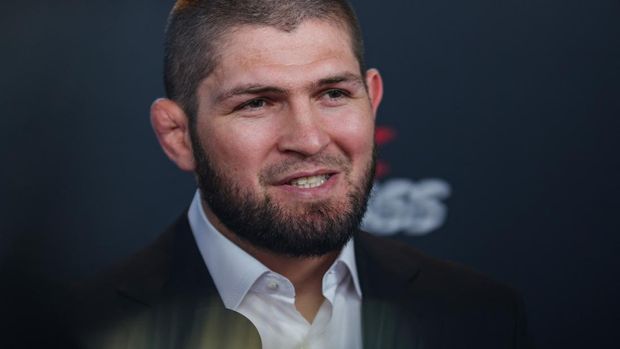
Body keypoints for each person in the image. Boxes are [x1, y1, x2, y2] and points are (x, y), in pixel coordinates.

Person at [66, 0, 532, 348]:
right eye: (257, 103)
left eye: (332, 93)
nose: (309, 139)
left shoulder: (480, 314)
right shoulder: (75, 331)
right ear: (178, 135)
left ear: (371, 99)